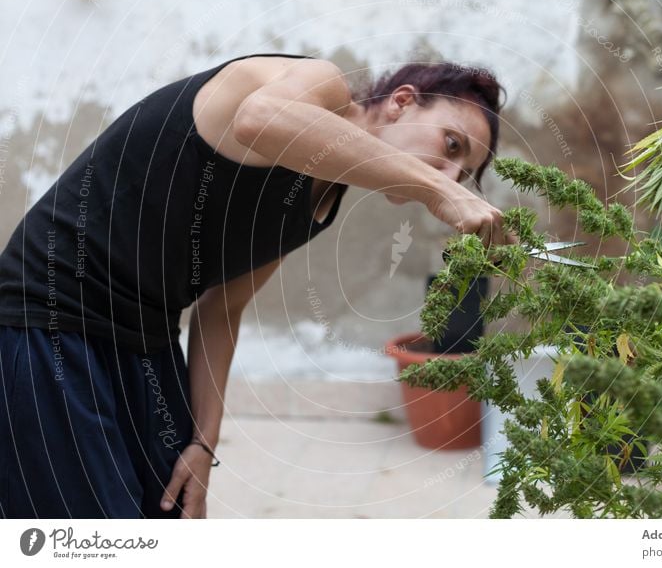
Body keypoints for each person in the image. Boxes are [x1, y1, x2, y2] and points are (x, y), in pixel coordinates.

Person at [0, 52, 515, 518]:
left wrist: (204, 442)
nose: (449, 174)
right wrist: (432, 191)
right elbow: (259, 119)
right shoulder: (321, 86)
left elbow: (224, 305)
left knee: (166, 515)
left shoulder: (322, 200)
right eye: (451, 146)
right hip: (50, 315)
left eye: (462, 173)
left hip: (145, 341)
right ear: (402, 102)